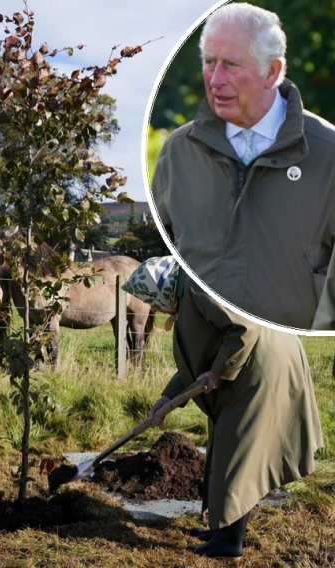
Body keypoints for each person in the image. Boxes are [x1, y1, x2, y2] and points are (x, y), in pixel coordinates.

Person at [122, 256, 323, 560]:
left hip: (264, 368)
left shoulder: (200, 288)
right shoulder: (188, 295)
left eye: (153, 301)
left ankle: (229, 542)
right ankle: (221, 528)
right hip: (248, 368)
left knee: (236, 451)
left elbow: (244, 327)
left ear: (161, 289)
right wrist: (167, 399)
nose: (156, 309)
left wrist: (218, 372)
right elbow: (196, 361)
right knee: (224, 444)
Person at [150, 2, 335, 330]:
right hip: (197, 359)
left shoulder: (328, 154)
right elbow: (156, 250)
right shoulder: (177, 152)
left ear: (272, 72)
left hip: (287, 359)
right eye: (209, 62)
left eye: (231, 65)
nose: (216, 79)